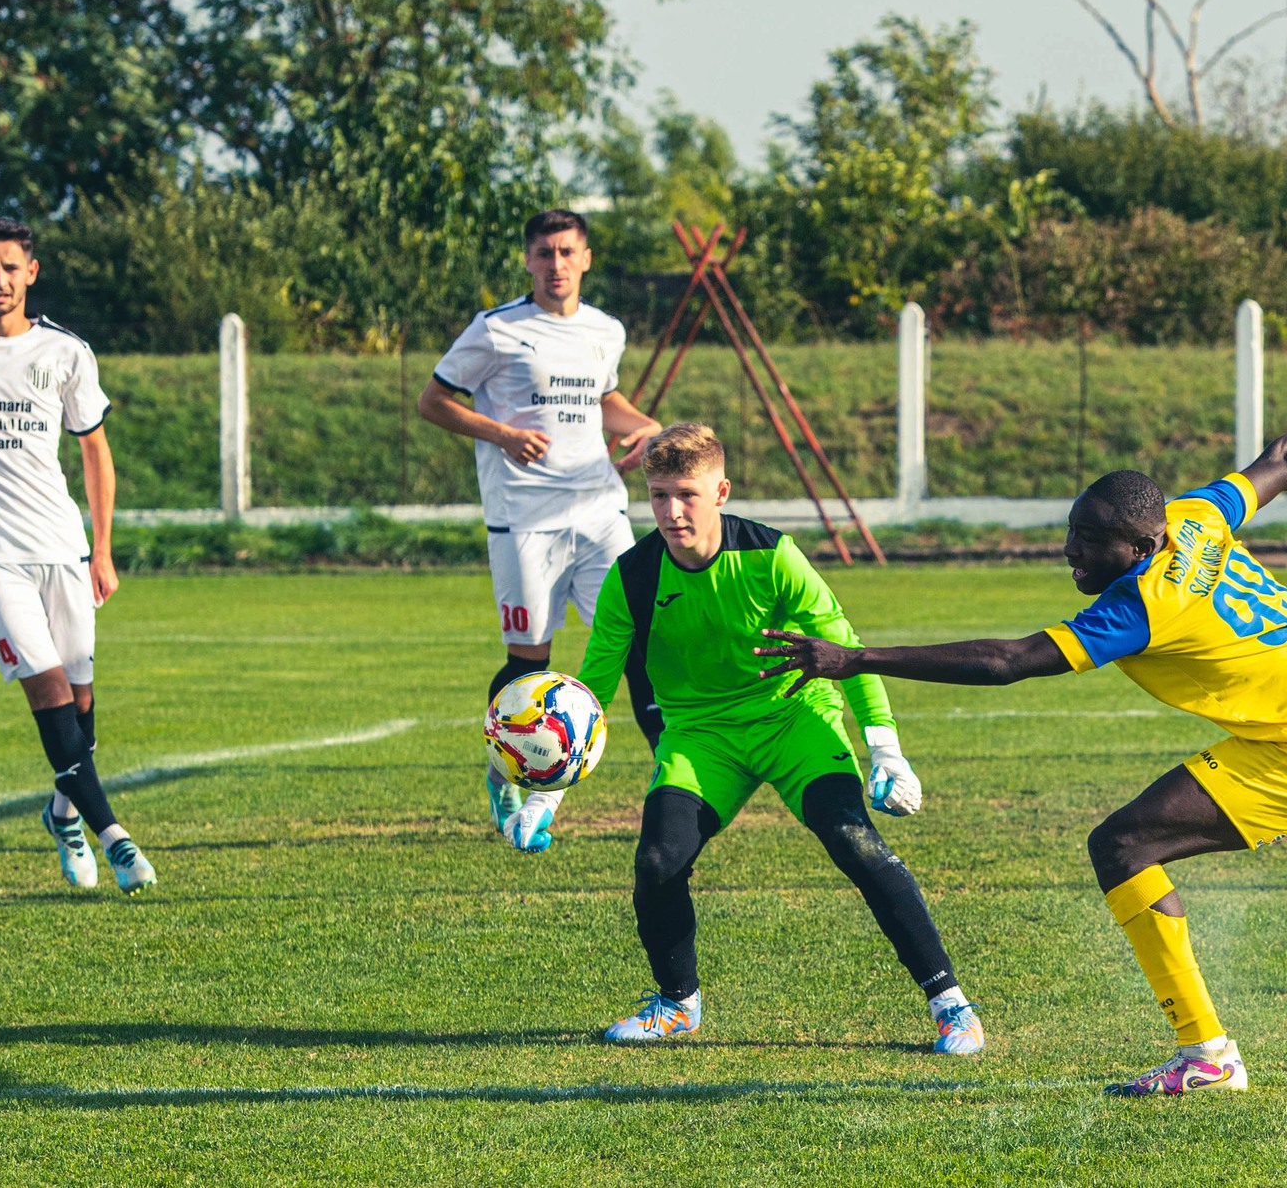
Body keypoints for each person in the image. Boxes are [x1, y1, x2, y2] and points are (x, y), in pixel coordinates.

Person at [756, 370, 1287, 1096]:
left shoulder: (1139, 604)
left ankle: (1206, 1053)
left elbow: (1010, 660)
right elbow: (1282, 461)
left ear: (1138, 543)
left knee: (1123, 844)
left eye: (1088, 545)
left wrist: (853, 656)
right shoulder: (1198, 519)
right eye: (1071, 536)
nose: (1072, 556)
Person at [576, 423, 983, 1054]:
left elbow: (845, 647)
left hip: (794, 718)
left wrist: (886, 749)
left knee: (854, 841)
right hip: (702, 736)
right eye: (658, 495)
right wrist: (548, 790)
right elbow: (591, 692)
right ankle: (677, 1005)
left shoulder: (772, 554)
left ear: (721, 490)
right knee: (659, 862)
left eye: (687, 493)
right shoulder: (631, 576)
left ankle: (950, 1004)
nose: (671, 510)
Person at [0, 216, 155, 893]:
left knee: (80, 696)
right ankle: (114, 837)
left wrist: (102, 547)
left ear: (31, 272)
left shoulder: (67, 352)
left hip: (61, 546)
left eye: (11, 267)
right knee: (45, 687)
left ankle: (62, 813)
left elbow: (95, 452)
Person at [417, 208, 663, 852]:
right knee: (531, 660)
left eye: (566, 252)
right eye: (544, 253)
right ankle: (506, 768)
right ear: (527, 261)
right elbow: (434, 402)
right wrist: (502, 434)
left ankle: (675, 781)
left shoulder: (606, 330)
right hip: (524, 517)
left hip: (600, 511)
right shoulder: (496, 329)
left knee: (645, 642)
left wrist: (646, 428)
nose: (555, 264)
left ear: (586, 258)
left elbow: (603, 401)